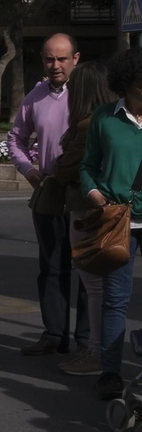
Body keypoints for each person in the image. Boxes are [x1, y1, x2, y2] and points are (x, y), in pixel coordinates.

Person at [8, 33, 85, 356]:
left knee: (86, 269)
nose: (56, 65)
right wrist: (28, 170)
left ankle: (87, 340)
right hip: (50, 191)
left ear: (76, 59)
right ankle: (54, 334)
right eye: (50, 59)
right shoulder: (35, 96)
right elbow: (16, 138)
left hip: (84, 193)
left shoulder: (89, 94)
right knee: (52, 266)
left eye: (62, 59)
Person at [77, 48, 142, 401]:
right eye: (139, 87)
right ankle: (111, 373)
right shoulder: (105, 118)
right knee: (116, 300)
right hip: (118, 221)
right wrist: (94, 194)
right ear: (125, 86)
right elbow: (87, 166)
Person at [51, 61, 112, 377]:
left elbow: (67, 168)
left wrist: (60, 163)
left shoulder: (89, 125)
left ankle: (97, 353)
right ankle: (97, 351)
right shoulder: (111, 121)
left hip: (86, 211)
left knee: (94, 285)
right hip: (101, 210)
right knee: (101, 286)